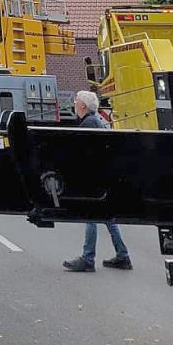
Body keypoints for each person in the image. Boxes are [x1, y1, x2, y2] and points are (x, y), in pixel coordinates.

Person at [62, 90, 132, 272]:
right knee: (108, 217)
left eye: (76, 101)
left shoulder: (88, 124)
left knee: (91, 216)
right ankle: (122, 255)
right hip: (105, 177)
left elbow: (83, 154)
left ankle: (88, 258)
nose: (74, 104)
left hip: (95, 179)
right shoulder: (98, 121)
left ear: (83, 105)